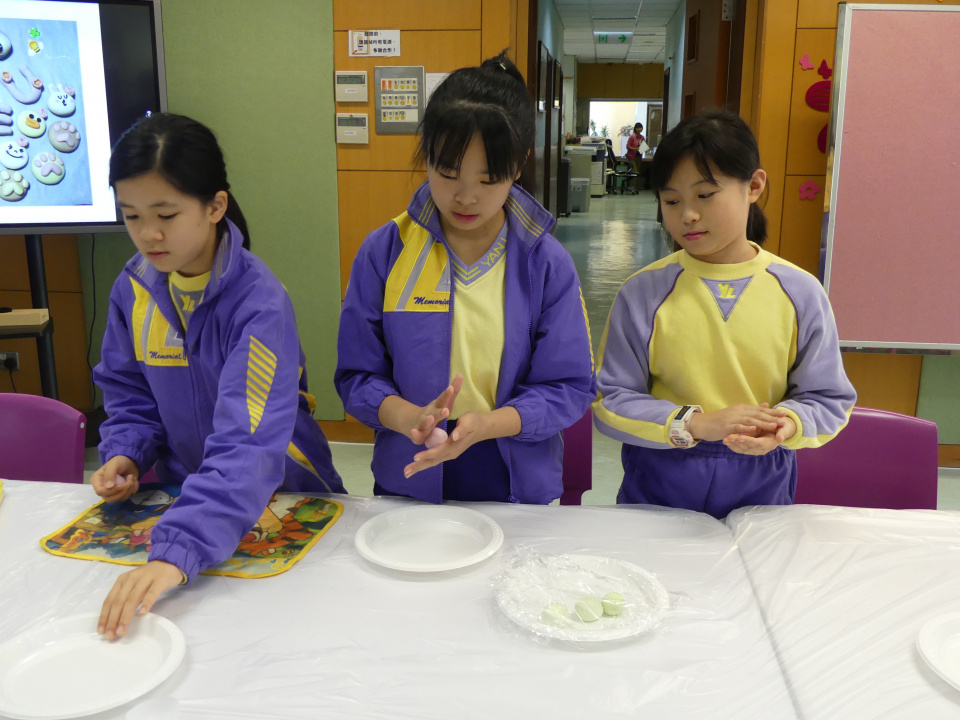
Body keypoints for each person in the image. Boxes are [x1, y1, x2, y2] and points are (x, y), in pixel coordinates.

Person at [92, 113, 344, 639]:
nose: (148, 234)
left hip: (278, 493)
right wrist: (126, 452)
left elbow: (247, 445)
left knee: (284, 637)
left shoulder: (259, 303)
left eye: (166, 214)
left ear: (215, 206)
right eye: (131, 215)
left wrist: (176, 551)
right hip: (189, 498)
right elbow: (130, 394)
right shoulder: (133, 289)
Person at [335, 52, 595, 504]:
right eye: (448, 173)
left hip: (514, 479)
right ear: (427, 154)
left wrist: (489, 424)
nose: (466, 197)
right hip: (410, 474)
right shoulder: (386, 252)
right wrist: (408, 417)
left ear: (518, 165)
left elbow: (569, 386)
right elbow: (357, 374)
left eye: (489, 180)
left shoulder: (546, 262)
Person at [592, 108, 856, 518]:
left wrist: (786, 424)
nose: (687, 215)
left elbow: (828, 397)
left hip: (761, 479)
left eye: (705, 195)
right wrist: (695, 424)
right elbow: (611, 400)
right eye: (671, 200)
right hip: (661, 474)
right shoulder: (644, 292)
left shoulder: (800, 292)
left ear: (754, 186)